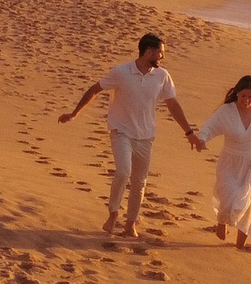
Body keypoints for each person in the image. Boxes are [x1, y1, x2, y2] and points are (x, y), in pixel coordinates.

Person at [59, 33, 202, 238]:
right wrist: (74, 113)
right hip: (121, 131)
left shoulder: (162, 76)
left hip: (146, 135)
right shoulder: (121, 72)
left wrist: (189, 133)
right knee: (123, 172)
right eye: (160, 53)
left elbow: (172, 104)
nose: (162, 57)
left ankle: (130, 224)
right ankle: (113, 213)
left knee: (139, 181)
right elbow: (95, 89)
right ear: (148, 52)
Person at [195, 75, 251, 250]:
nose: (246, 100)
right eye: (243, 96)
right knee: (229, 197)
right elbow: (209, 127)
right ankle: (222, 221)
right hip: (230, 161)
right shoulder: (226, 111)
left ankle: (240, 245)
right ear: (237, 93)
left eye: (250, 97)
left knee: (249, 202)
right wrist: (202, 139)